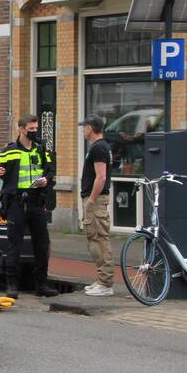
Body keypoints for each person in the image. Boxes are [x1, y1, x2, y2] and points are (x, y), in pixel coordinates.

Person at [0, 114, 59, 298]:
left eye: (36, 129)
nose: (34, 132)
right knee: (14, 245)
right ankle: (12, 285)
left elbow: (50, 170)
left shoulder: (41, 149)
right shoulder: (10, 150)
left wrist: (46, 180)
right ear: (21, 129)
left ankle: (42, 285)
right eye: (31, 129)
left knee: (42, 244)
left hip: (36, 201)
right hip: (16, 203)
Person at [80, 114, 113, 297]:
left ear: (90, 128)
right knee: (94, 238)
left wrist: (91, 200)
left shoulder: (98, 148)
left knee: (99, 239)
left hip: (96, 200)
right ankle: (101, 279)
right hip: (95, 199)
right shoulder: (101, 146)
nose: (83, 130)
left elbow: (101, 177)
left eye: (84, 127)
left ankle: (105, 283)